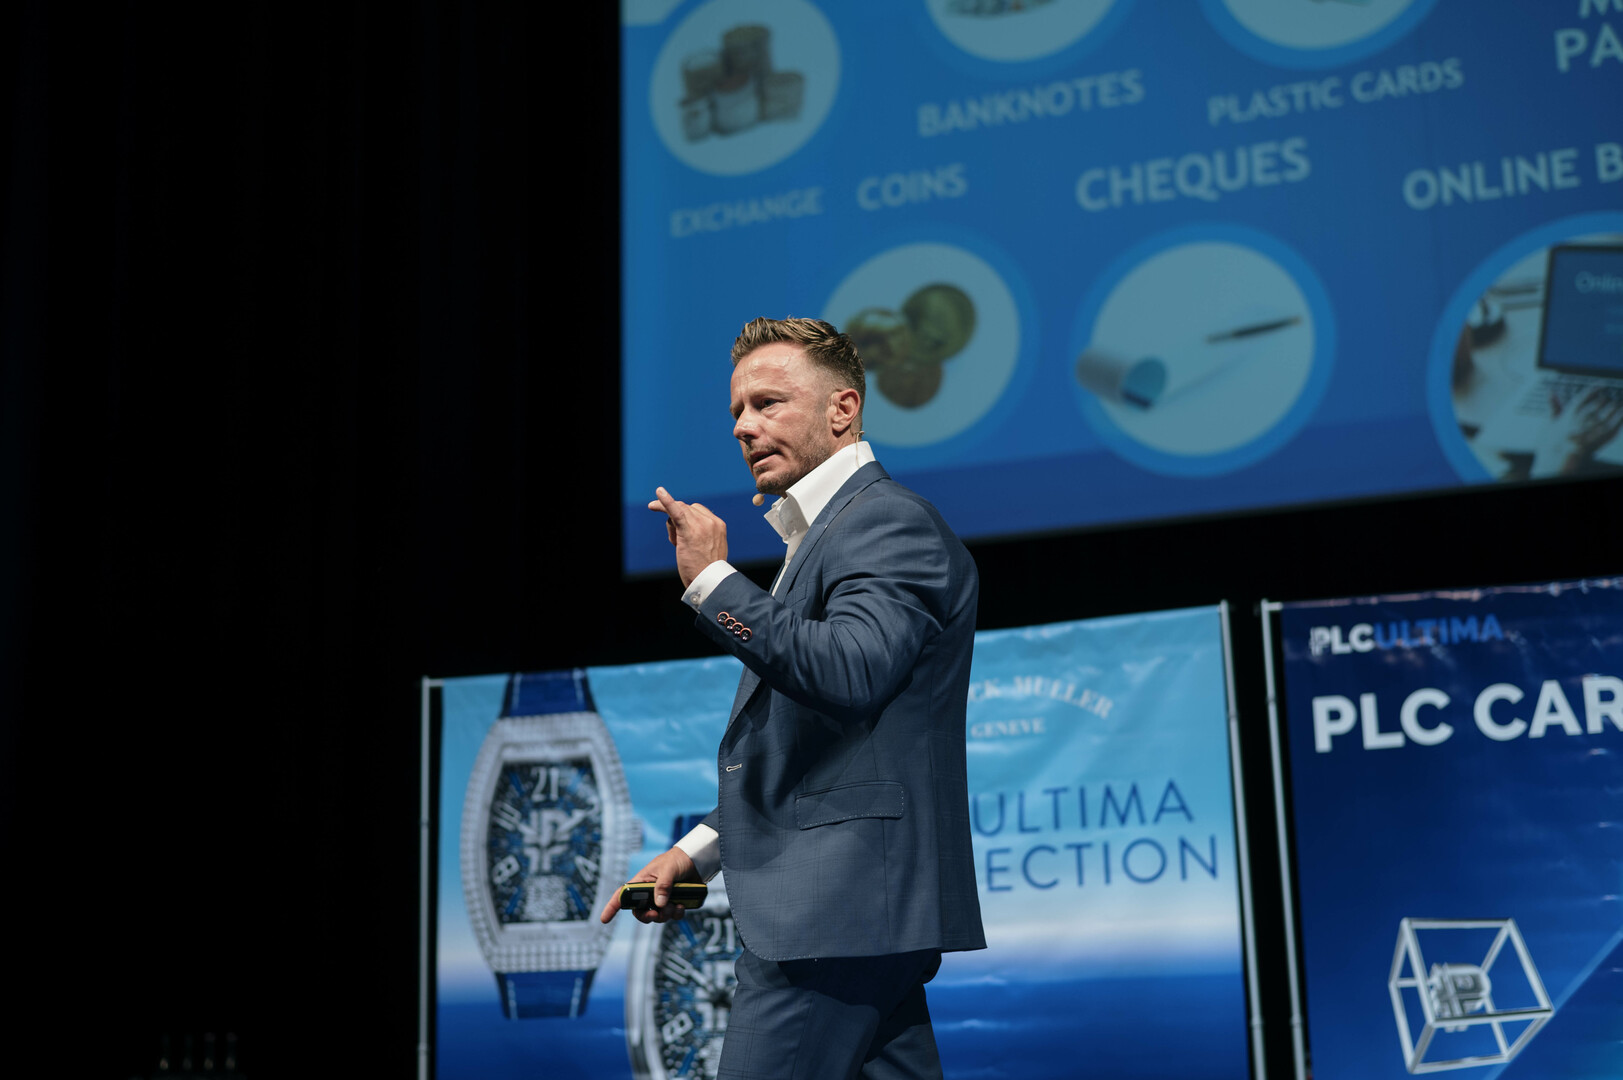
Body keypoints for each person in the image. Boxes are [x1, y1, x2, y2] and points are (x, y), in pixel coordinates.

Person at [600, 316, 985, 1079]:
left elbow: (848, 672)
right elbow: (818, 755)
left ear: (842, 409)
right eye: (737, 411)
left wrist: (713, 581)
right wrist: (695, 852)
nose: (743, 427)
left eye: (768, 403)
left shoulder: (885, 522)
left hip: (833, 915)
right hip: (851, 917)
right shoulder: (823, 537)